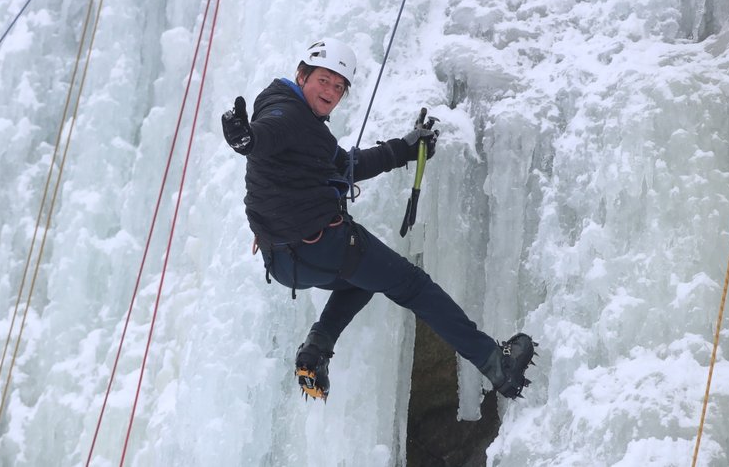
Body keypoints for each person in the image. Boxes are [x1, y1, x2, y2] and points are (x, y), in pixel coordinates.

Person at [221, 38, 535, 401]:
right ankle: (496, 363)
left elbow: (344, 166)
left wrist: (404, 148)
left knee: (364, 278)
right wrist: (246, 140)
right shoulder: (287, 115)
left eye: (339, 87)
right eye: (324, 80)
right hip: (322, 246)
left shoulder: (305, 127)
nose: (331, 91)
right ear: (301, 75)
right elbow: (266, 136)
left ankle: (317, 349)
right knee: (413, 285)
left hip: (283, 263)